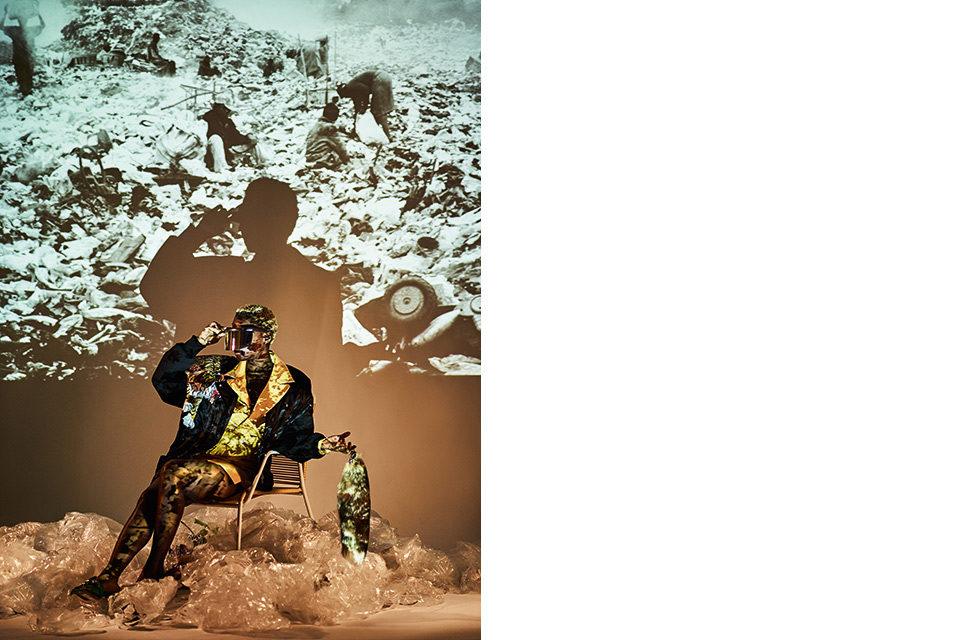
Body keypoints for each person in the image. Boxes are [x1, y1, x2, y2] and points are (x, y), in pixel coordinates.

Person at [69, 304, 356, 600]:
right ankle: (114, 576)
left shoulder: (294, 384)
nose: (236, 342)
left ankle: (147, 571)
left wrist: (322, 445)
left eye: (245, 334)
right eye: (233, 334)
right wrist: (198, 343)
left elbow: (293, 438)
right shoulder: (213, 369)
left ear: (267, 336)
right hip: (197, 460)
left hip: (242, 469)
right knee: (154, 493)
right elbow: (164, 381)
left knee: (170, 475)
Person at [139, 178, 349, 416]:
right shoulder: (323, 284)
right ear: (291, 221)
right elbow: (329, 359)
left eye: (246, 215)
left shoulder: (225, 276)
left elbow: (155, 286)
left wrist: (200, 232)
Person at [199, 102, 266, 172]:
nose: (227, 112)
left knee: (252, 142)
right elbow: (215, 134)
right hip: (210, 153)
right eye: (225, 109)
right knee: (215, 138)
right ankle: (221, 169)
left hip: (227, 151)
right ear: (218, 108)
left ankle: (266, 161)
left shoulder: (227, 121)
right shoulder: (208, 118)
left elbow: (235, 137)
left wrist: (248, 137)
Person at [336, 69, 395, 142]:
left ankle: (387, 136)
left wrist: (364, 107)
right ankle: (379, 133)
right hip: (383, 77)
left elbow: (366, 91)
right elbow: (357, 106)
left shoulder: (351, 87)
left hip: (379, 79)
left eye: (344, 96)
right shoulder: (352, 89)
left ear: (344, 92)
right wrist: (356, 119)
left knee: (379, 110)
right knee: (376, 110)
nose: (346, 97)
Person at [1, 0, 44, 97]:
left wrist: (6, 13)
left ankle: (26, 93)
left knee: (25, 78)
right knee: (25, 77)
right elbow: (42, 25)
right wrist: (38, 13)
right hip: (25, 59)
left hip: (23, 59)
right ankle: (25, 93)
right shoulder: (24, 31)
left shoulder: (17, 30)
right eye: (21, 18)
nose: (23, 20)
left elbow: (1, 26)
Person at [304, 101, 349, 170]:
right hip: (320, 159)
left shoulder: (317, 125)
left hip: (310, 158)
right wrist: (347, 160)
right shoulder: (329, 127)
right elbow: (340, 147)